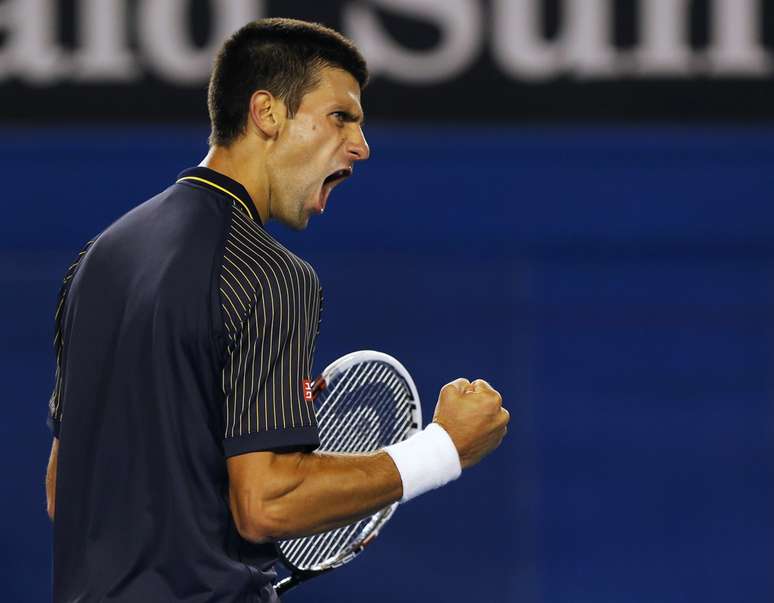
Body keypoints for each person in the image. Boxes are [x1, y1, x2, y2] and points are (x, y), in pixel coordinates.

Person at [45, 17, 509, 602]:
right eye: (341, 117)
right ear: (266, 113)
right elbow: (266, 503)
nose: (362, 146)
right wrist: (443, 449)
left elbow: (68, 492)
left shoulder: (96, 260)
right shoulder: (270, 275)